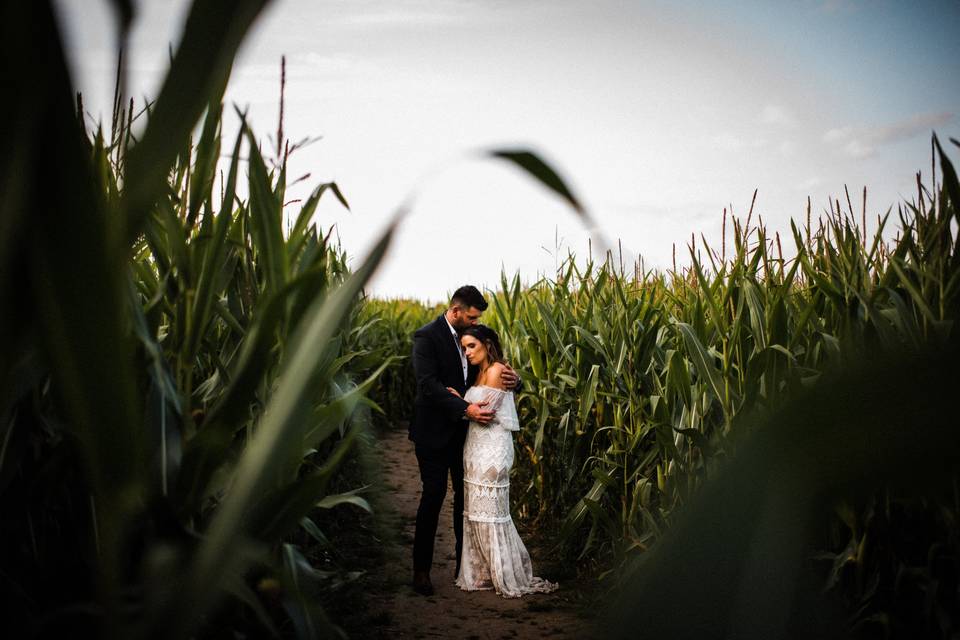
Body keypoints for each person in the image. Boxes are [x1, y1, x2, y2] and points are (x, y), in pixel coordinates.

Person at [409, 286, 519, 596]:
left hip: (466, 437)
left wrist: (516, 380)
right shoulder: (427, 337)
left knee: (464, 501)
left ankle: (465, 568)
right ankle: (421, 571)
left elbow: (489, 376)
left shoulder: (469, 339)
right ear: (456, 311)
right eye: (471, 315)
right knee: (433, 496)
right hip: (432, 432)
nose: (474, 321)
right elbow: (427, 385)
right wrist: (464, 407)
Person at [452, 324, 558, 598]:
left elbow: (485, 413)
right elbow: (473, 409)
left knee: (493, 514)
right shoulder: (478, 374)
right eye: (464, 347)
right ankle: (482, 574)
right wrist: (461, 403)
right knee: (475, 513)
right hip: (474, 447)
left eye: (471, 346)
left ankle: (505, 573)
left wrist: (457, 403)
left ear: (487, 345)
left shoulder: (499, 371)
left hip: (493, 449)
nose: (467, 352)